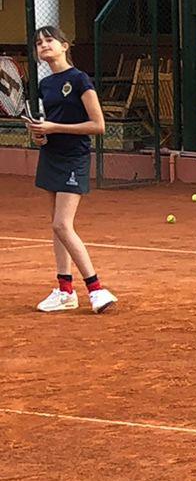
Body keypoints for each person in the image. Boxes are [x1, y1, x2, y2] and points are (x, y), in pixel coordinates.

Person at [27, 26, 115, 314]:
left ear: (65, 45)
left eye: (49, 40)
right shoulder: (45, 85)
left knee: (62, 225)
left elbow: (98, 125)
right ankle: (65, 291)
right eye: (39, 43)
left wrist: (55, 127)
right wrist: (40, 135)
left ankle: (96, 289)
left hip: (74, 158)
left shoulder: (79, 80)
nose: (44, 45)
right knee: (57, 226)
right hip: (51, 155)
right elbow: (48, 123)